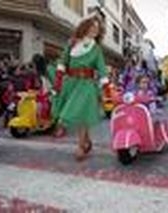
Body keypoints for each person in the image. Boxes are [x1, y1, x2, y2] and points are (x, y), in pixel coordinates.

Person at [51, 15, 109, 161]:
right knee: (77, 113)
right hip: (71, 82)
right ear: (85, 27)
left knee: (81, 113)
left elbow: (101, 67)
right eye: (92, 27)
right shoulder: (71, 44)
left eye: (97, 29)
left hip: (87, 84)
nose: (95, 31)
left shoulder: (96, 48)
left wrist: (106, 85)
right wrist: (58, 79)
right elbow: (62, 61)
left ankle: (80, 145)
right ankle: (86, 141)